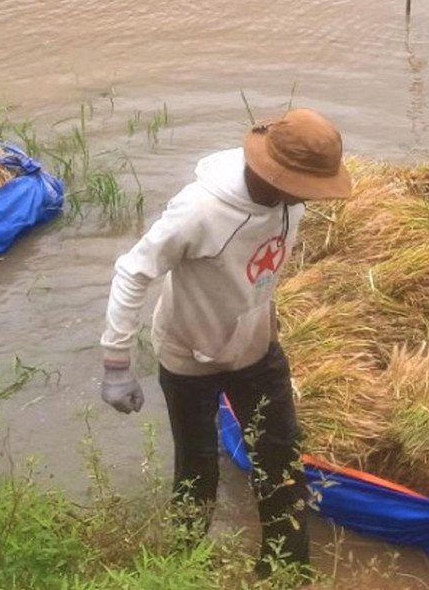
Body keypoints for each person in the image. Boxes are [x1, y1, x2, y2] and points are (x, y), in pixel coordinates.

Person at [99, 107, 353, 581]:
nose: (313, 198)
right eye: (307, 187)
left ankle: (284, 575)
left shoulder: (289, 201)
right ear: (278, 175)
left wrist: (264, 320)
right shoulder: (200, 210)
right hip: (189, 357)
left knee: (280, 464)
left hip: (256, 349)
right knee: (197, 473)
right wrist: (117, 363)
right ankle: (180, 571)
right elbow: (133, 271)